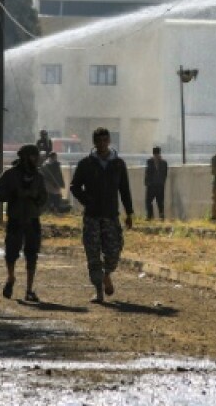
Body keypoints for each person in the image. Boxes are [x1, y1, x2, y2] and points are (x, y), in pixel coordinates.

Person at [69, 127, 134, 304]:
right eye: (99, 141)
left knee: (114, 251)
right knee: (93, 253)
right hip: (92, 216)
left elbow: (125, 190)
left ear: (109, 141)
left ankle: (106, 275)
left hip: (111, 216)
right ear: (94, 143)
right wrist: (86, 200)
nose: (103, 144)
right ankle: (99, 291)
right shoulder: (86, 164)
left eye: (105, 141)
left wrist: (129, 213)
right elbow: (74, 187)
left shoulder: (118, 164)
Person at [0, 144, 48, 302]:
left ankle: (29, 290)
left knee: (32, 254)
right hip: (15, 219)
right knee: (11, 253)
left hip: (32, 220)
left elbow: (44, 198)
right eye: (33, 156)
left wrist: (34, 196)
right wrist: (14, 193)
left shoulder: (38, 177)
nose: (36, 159)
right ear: (25, 157)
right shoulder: (10, 175)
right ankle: (11, 278)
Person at [143, 146, 168, 220]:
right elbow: (147, 172)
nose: (156, 156)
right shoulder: (149, 162)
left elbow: (165, 174)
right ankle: (150, 215)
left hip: (159, 186)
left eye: (157, 155)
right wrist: (147, 182)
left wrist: (162, 182)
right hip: (151, 185)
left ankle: (161, 216)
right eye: (155, 155)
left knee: (160, 202)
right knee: (148, 201)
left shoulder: (163, 163)